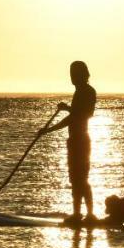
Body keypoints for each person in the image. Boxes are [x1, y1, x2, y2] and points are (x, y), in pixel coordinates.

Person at [38, 60, 97, 220]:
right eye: (71, 74)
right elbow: (76, 114)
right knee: (75, 178)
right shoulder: (79, 92)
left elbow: (81, 115)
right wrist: (68, 109)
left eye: (74, 74)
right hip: (74, 140)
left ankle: (90, 214)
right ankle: (77, 213)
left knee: (81, 178)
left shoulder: (88, 91)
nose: (71, 77)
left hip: (81, 140)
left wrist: (49, 129)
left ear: (82, 75)